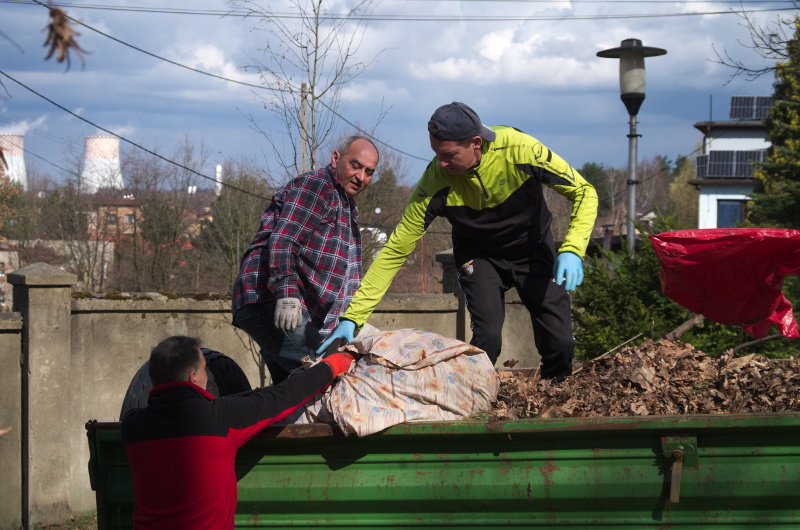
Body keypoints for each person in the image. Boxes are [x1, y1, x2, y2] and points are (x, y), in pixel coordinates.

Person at [320, 102, 598, 381]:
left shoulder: (521, 150)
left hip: (532, 249)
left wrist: (573, 249)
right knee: (487, 338)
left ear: (476, 143)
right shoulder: (434, 182)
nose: (440, 163)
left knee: (560, 343)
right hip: (480, 255)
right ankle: (477, 400)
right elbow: (394, 251)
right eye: (436, 153)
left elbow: (585, 192)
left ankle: (556, 398)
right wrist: (352, 317)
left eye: (448, 155)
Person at [120, 335, 356, 530]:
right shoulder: (222, 418)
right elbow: (282, 397)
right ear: (194, 377)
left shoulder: (132, 426)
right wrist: (331, 367)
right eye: (204, 369)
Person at [232, 136, 379, 384]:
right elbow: (284, 240)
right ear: (335, 159)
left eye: (369, 172)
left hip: (291, 309)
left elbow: (343, 277)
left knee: (292, 396)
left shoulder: (346, 206)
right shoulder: (318, 187)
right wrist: (287, 293)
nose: (361, 177)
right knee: (322, 376)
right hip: (268, 299)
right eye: (355, 165)